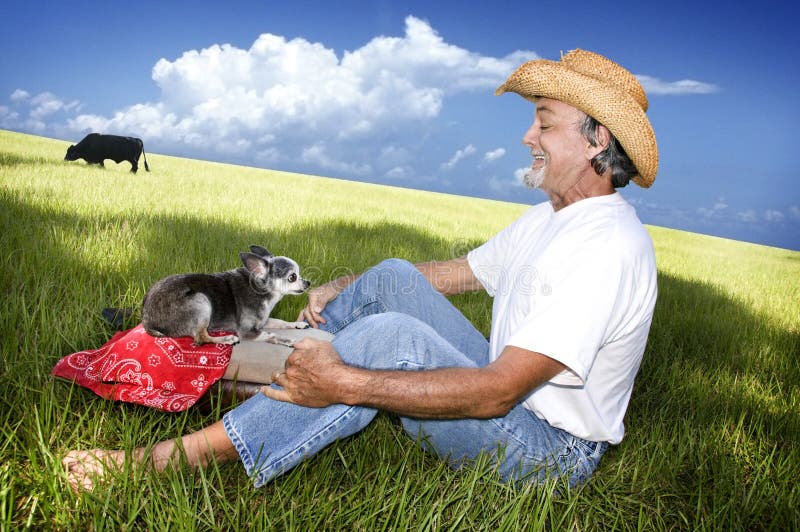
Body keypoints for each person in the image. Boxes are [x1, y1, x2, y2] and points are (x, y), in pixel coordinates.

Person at [62, 49, 658, 492]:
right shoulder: (549, 219)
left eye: (545, 122)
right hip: (508, 395)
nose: (528, 135)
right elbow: (455, 274)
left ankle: (157, 461)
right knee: (394, 276)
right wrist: (349, 286)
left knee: (384, 343)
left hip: (547, 452)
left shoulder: (609, 248)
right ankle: (265, 367)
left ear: (595, 139)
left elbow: (499, 392)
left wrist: (348, 382)